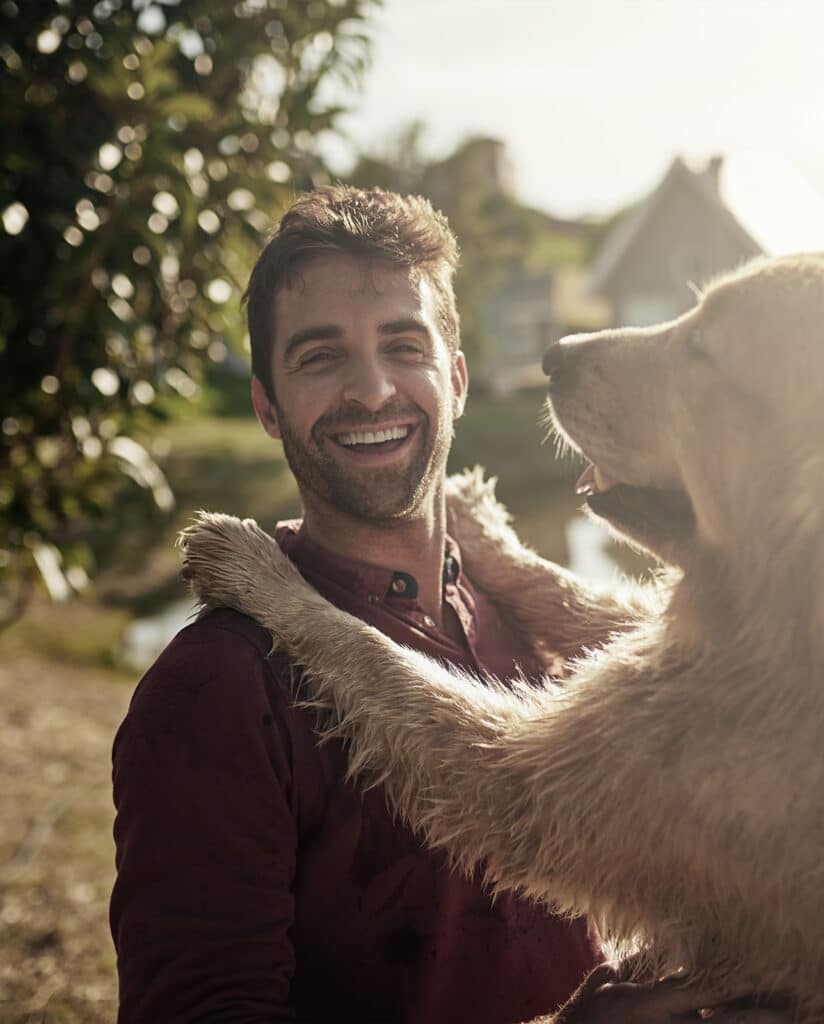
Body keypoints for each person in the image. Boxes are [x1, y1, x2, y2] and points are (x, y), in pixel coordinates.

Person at [110, 184, 787, 1024]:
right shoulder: (217, 689)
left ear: (456, 380)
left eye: (404, 346)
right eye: (320, 357)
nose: (370, 390)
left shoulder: (523, 618)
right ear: (266, 407)